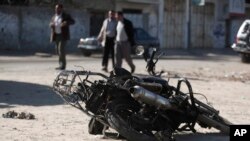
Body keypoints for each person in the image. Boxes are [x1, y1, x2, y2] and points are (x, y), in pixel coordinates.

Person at [49, 4, 75, 70]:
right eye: (56, 8)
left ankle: (62, 65)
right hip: (56, 35)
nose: (57, 10)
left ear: (61, 9)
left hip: (63, 35)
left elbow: (73, 21)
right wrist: (51, 25)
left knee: (61, 50)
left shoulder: (65, 16)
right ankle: (61, 64)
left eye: (58, 8)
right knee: (57, 50)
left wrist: (66, 22)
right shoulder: (54, 16)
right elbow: (51, 23)